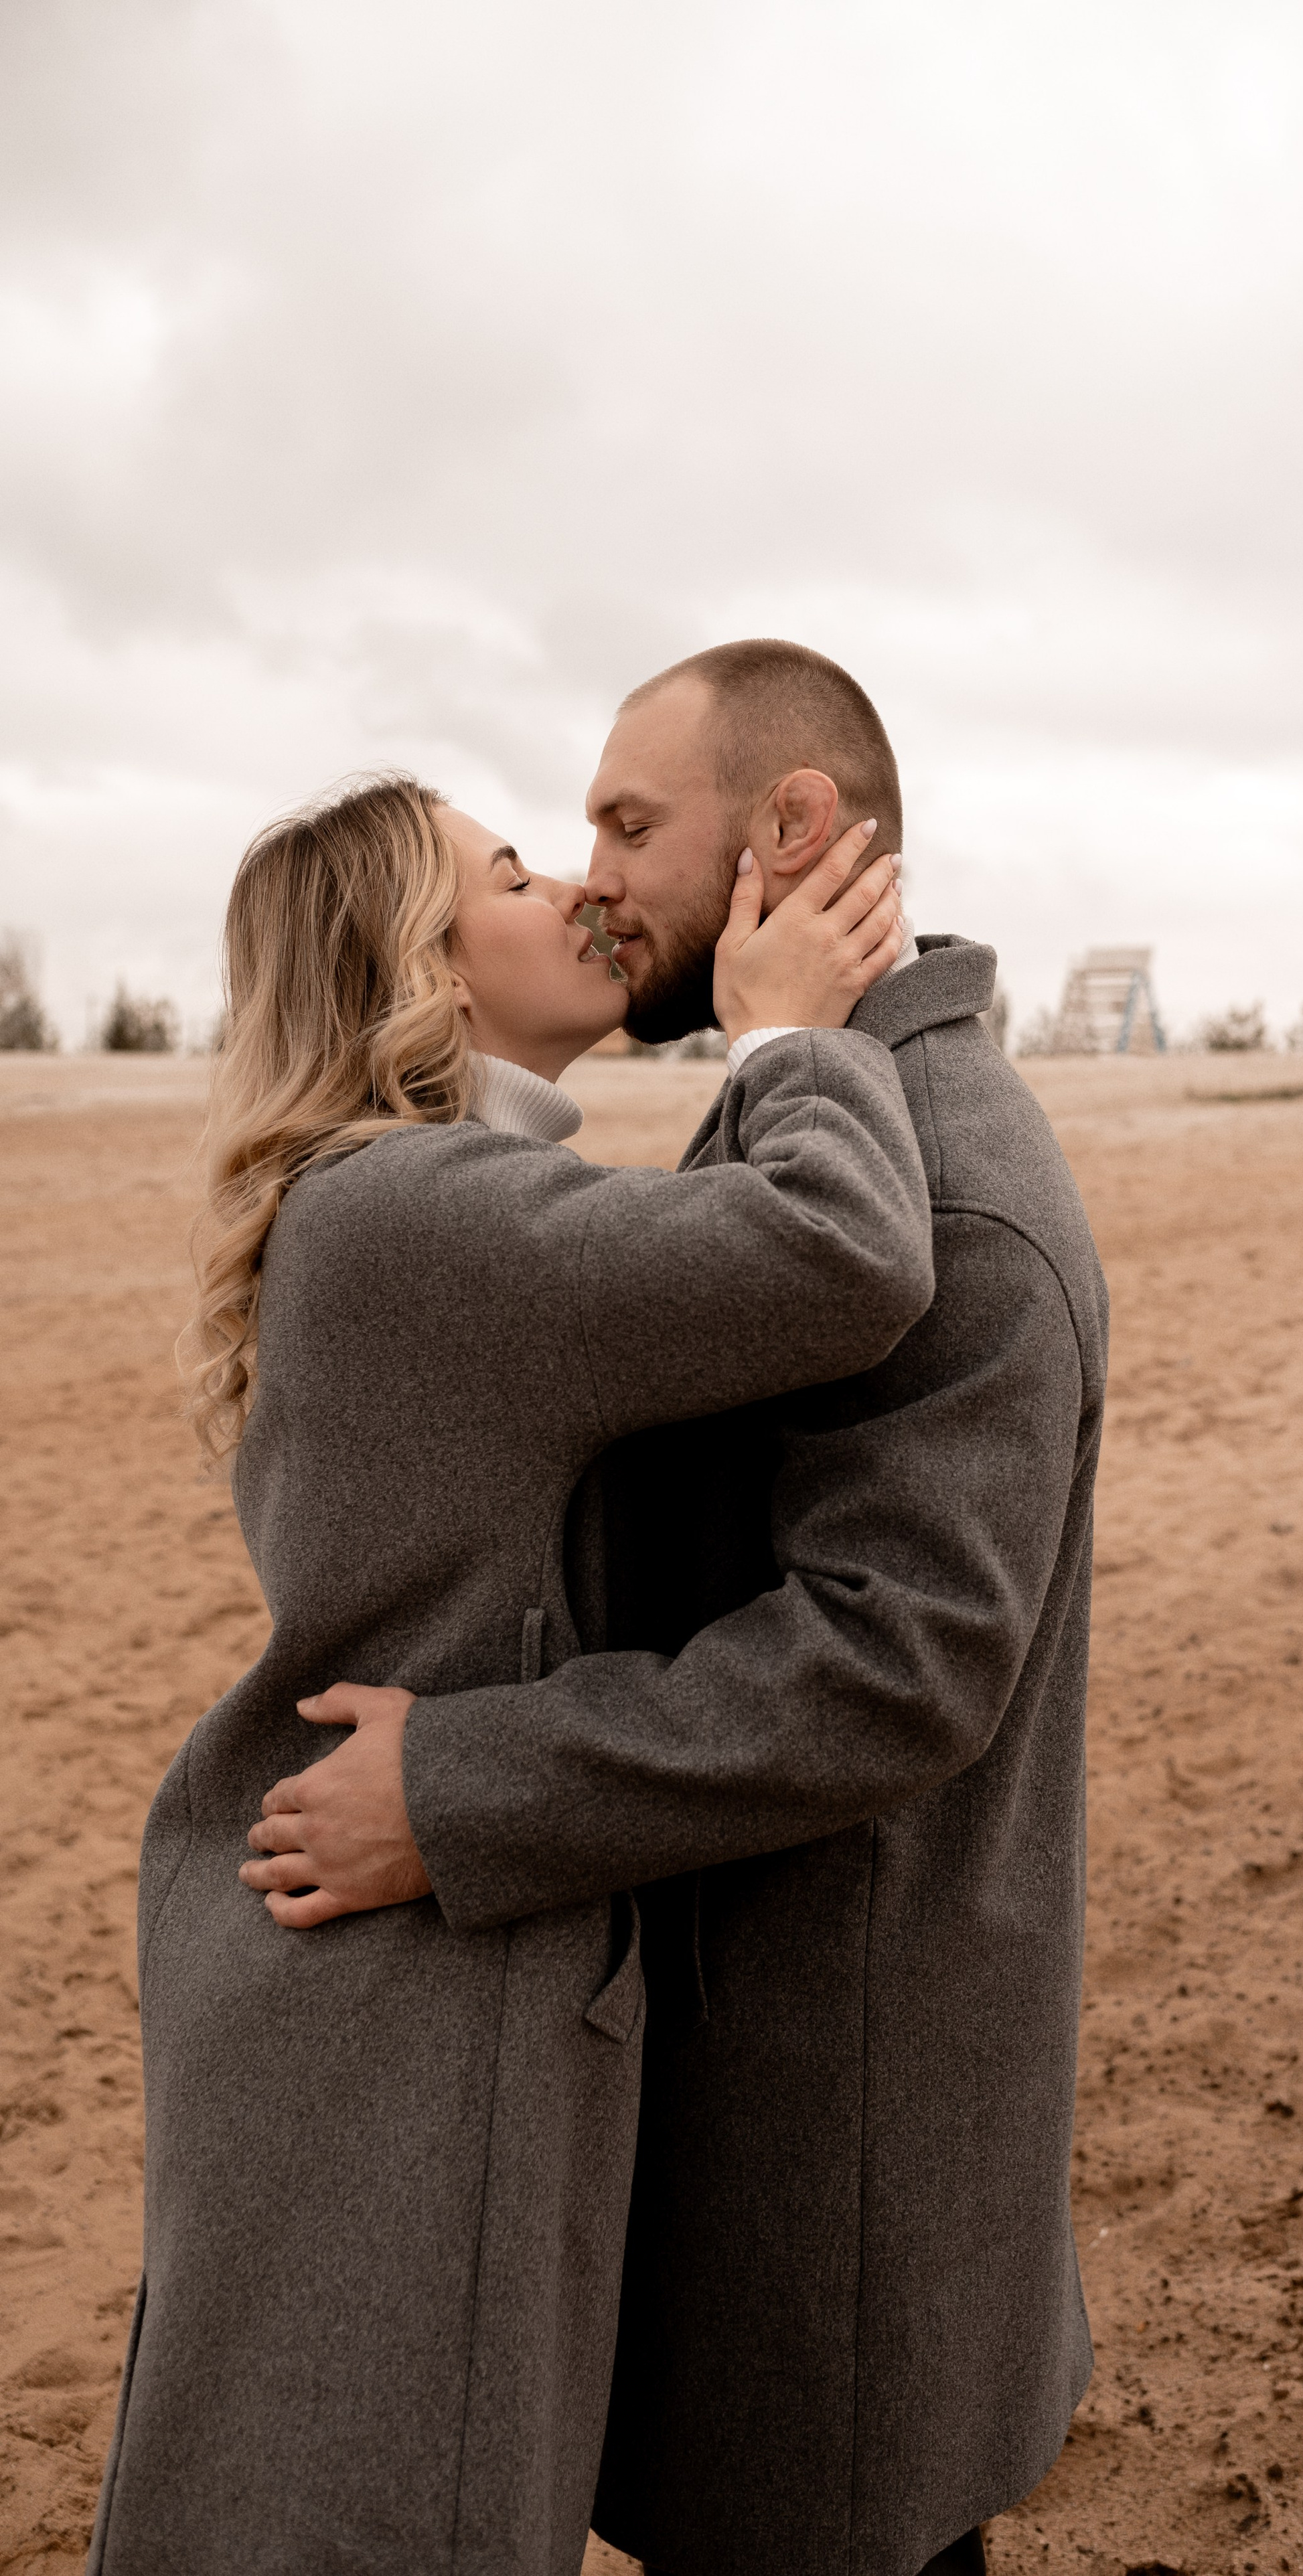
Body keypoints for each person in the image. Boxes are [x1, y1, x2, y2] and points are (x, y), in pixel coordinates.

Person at [258, 643, 1109, 2576]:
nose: (597, 876)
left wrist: (461, 1786)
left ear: (789, 828)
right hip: (748, 2071)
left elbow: (897, 1668)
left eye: (630, 825)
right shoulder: (826, 1108)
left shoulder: (950, 1196)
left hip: (835, 2139)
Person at [88, 771, 931, 2576]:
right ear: (426, 964)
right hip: (398, 2011)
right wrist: (788, 1036)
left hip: (369, 1965)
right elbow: (846, 1255)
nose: (577, 894)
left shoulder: (409, 1202)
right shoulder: (418, 1213)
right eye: (515, 874)